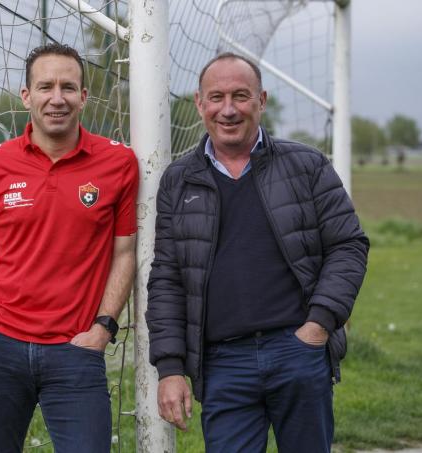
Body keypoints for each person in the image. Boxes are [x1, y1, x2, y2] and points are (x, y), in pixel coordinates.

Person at [146, 53, 369, 452]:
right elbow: (167, 278)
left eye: (240, 96)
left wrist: (317, 327)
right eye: (216, 97)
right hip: (223, 364)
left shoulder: (307, 165)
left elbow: (348, 245)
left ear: (261, 100)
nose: (228, 109)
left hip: (298, 350)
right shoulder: (179, 182)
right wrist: (170, 367)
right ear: (199, 103)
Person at [0, 43, 138, 453]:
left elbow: (124, 252)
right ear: (26, 95)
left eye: (68, 87)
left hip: (76, 351)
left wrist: (104, 326)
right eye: (45, 87)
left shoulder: (119, 163)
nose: (57, 99)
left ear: (84, 97)